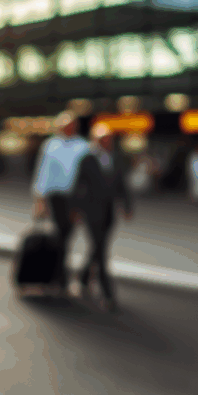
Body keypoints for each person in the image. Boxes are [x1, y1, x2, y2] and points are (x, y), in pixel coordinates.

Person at [30, 111, 91, 295]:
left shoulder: (83, 146)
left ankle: (65, 276)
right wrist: (39, 200)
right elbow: (43, 173)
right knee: (60, 236)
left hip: (76, 198)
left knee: (72, 237)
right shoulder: (51, 145)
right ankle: (59, 276)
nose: (68, 128)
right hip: (56, 197)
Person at [74, 124, 133, 312]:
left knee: (97, 247)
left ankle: (83, 279)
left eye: (109, 139)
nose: (107, 142)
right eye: (103, 139)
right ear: (95, 141)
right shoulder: (87, 159)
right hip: (91, 211)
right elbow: (79, 186)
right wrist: (76, 210)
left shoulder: (115, 159)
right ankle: (108, 293)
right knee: (101, 252)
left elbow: (121, 184)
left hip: (109, 212)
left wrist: (126, 206)